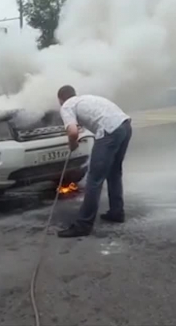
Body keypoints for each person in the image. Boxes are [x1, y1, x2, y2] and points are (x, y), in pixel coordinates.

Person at [56, 85, 132, 238]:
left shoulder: (67, 105)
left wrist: (73, 144)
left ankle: (83, 225)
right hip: (125, 126)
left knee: (94, 179)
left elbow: (72, 132)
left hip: (109, 131)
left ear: (60, 99)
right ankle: (117, 212)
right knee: (114, 173)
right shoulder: (86, 99)